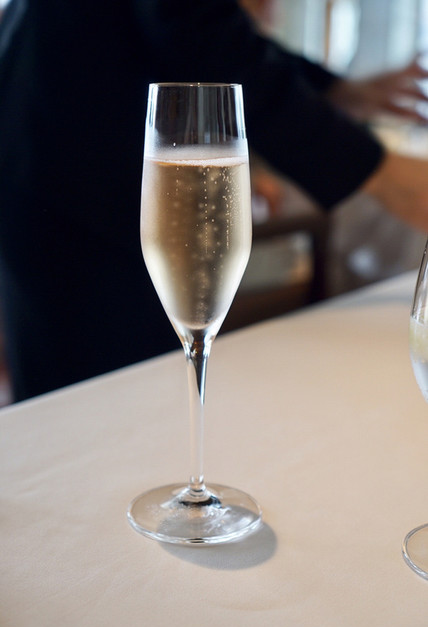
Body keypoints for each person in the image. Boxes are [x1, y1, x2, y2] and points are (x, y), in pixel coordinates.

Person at [1, 0, 428, 402]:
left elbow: (207, 24)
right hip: (71, 176)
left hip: (67, 146)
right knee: (87, 401)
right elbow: (196, 24)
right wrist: (378, 171)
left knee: (140, 394)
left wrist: (333, 89)